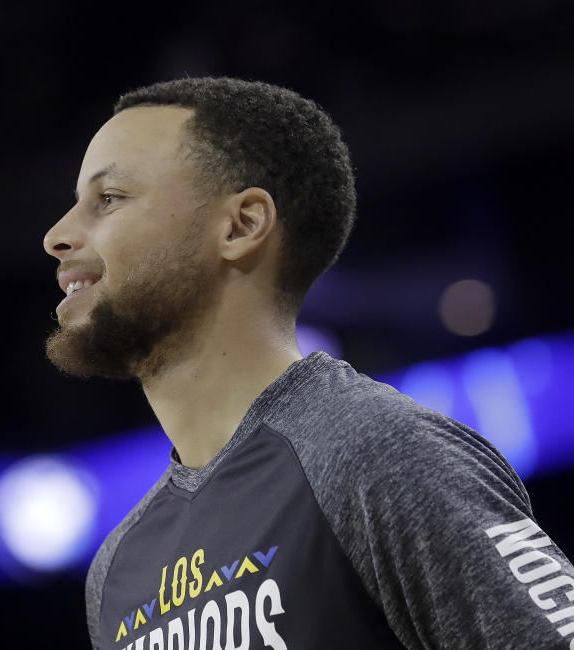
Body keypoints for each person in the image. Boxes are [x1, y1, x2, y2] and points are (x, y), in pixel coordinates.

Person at [41, 77, 574, 649]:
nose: (57, 236)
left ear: (241, 225)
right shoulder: (118, 568)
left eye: (110, 199)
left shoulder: (377, 453)